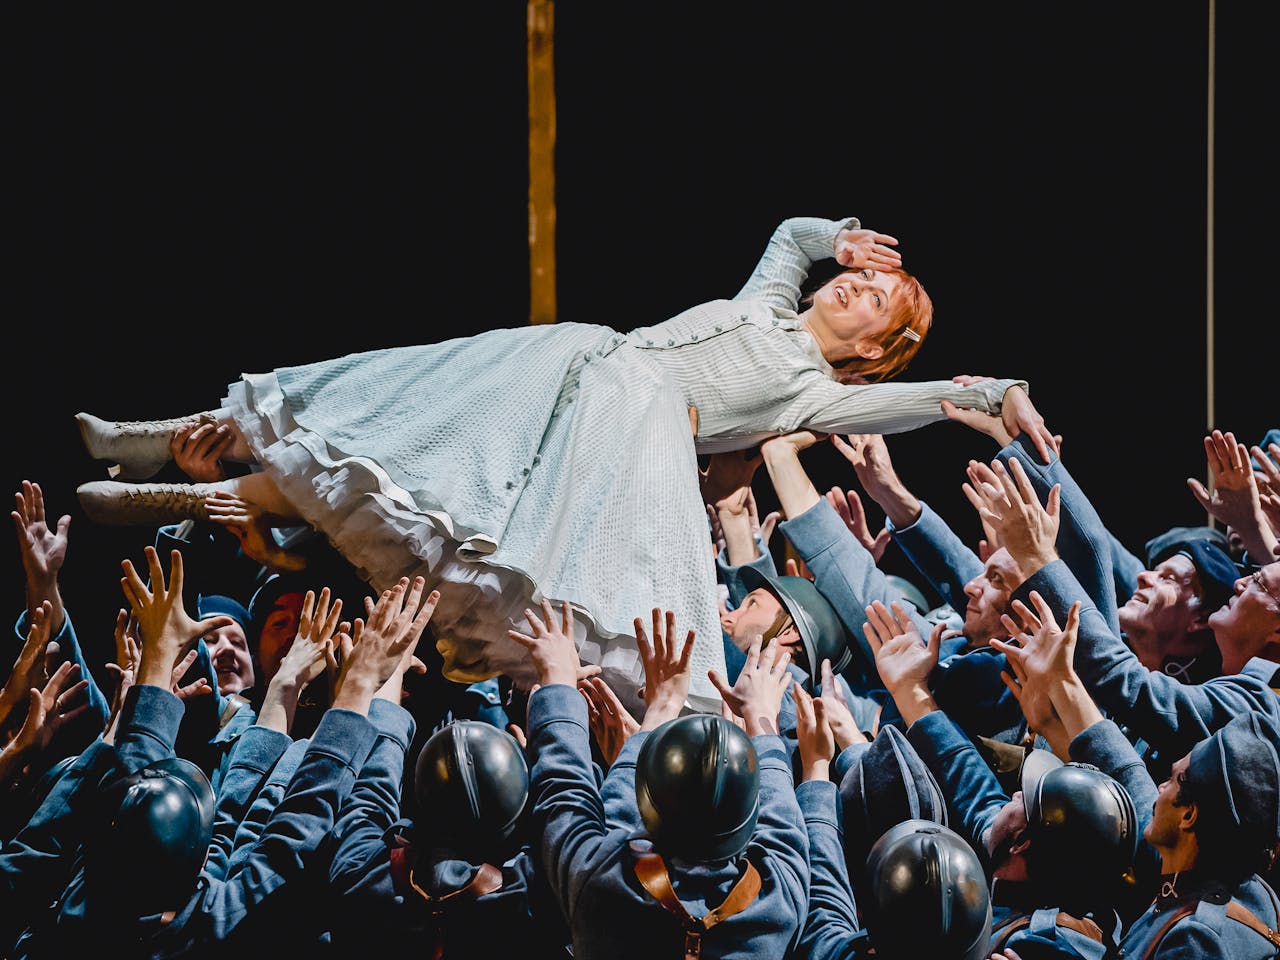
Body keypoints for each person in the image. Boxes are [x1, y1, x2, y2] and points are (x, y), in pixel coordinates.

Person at [72, 215, 1053, 710]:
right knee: (389, 413)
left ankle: (190, 495)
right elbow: (788, 240)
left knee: (451, 522)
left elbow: (924, 399)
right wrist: (833, 230)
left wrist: (986, 393)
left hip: (623, 444)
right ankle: (161, 446)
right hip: (578, 363)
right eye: (858, 275)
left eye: (875, 298)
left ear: (878, 344)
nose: (851, 288)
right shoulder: (764, 304)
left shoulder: (815, 394)